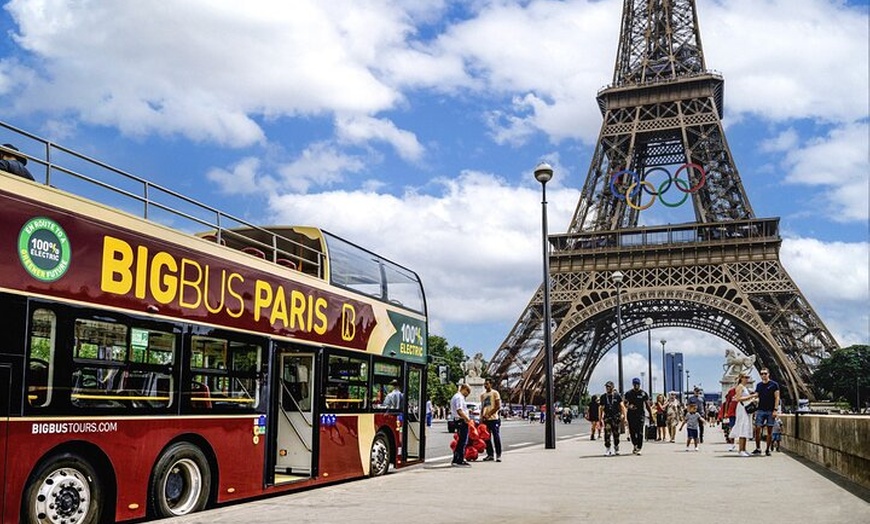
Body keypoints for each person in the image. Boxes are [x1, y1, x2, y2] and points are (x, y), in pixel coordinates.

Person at [624, 377, 655, 455]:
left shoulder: (643, 393)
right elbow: (625, 403)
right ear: (633, 384)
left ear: (639, 384)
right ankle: (635, 444)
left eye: (637, 384)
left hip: (640, 415)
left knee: (640, 432)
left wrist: (651, 415)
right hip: (631, 415)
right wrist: (629, 406)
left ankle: (639, 447)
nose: (636, 385)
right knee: (632, 432)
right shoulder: (629, 393)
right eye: (635, 384)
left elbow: (647, 405)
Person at [753, 367, 780, 456]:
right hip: (760, 410)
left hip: (770, 410)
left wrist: (775, 410)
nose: (763, 375)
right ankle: (758, 448)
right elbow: (756, 395)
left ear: (768, 374)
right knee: (757, 429)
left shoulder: (774, 384)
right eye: (762, 374)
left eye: (765, 373)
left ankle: (767, 449)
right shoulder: (759, 385)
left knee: (769, 431)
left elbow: (777, 397)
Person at [729, 373, 757, 457]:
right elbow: (738, 398)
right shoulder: (740, 387)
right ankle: (741, 450)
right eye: (746, 377)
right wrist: (752, 396)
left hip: (744, 408)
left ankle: (744, 449)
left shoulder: (744, 387)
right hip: (742, 409)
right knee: (742, 427)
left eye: (748, 377)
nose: (747, 379)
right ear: (741, 378)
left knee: (746, 427)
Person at [599, 381, 626, 456]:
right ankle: (608, 448)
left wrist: (624, 416)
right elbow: (601, 408)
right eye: (606, 387)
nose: (607, 388)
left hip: (615, 417)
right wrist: (600, 418)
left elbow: (622, 406)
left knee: (616, 434)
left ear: (612, 387)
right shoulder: (603, 397)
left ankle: (616, 447)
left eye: (609, 386)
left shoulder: (617, 396)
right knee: (607, 433)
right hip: (607, 417)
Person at [450, 384, 473, 467]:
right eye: (468, 392)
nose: (468, 394)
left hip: (459, 420)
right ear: (465, 389)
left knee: (461, 441)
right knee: (463, 441)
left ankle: (456, 459)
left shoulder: (456, 396)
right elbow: (459, 410)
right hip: (461, 421)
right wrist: (467, 419)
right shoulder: (459, 397)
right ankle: (459, 460)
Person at [480, 378, 502, 462]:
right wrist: (481, 417)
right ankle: (490, 454)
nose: (485, 385)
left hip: (493, 419)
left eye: (487, 384)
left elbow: (498, 406)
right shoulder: (482, 395)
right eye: (485, 384)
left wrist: (489, 414)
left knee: (496, 437)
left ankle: (498, 454)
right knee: (487, 438)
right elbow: (483, 407)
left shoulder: (495, 393)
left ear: (491, 384)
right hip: (486, 419)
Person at [722, 386, 737, 451]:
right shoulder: (731, 391)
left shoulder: (743, 390)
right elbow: (727, 402)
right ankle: (732, 444)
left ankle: (742, 446)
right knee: (732, 428)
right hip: (733, 412)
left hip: (741, 412)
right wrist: (726, 412)